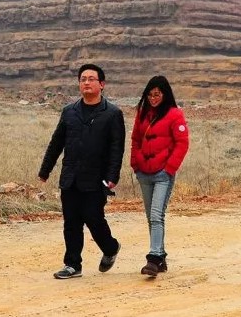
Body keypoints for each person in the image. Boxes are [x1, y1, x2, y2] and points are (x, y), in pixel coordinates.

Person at [38, 63, 125, 279]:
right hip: (71, 177)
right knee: (71, 221)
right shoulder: (69, 112)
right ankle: (72, 264)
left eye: (91, 79)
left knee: (94, 218)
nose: (86, 82)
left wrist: (112, 177)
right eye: (82, 79)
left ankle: (111, 247)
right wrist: (45, 169)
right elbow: (56, 142)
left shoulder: (112, 114)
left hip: (97, 179)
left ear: (102, 84)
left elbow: (117, 148)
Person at [130, 75, 190, 277]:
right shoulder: (142, 113)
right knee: (151, 217)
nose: (153, 98)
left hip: (162, 174)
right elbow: (135, 139)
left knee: (156, 215)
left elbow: (182, 143)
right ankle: (161, 257)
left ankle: (154, 258)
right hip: (144, 173)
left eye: (157, 95)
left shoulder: (175, 114)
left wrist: (169, 168)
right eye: (150, 95)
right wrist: (135, 163)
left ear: (165, 94)